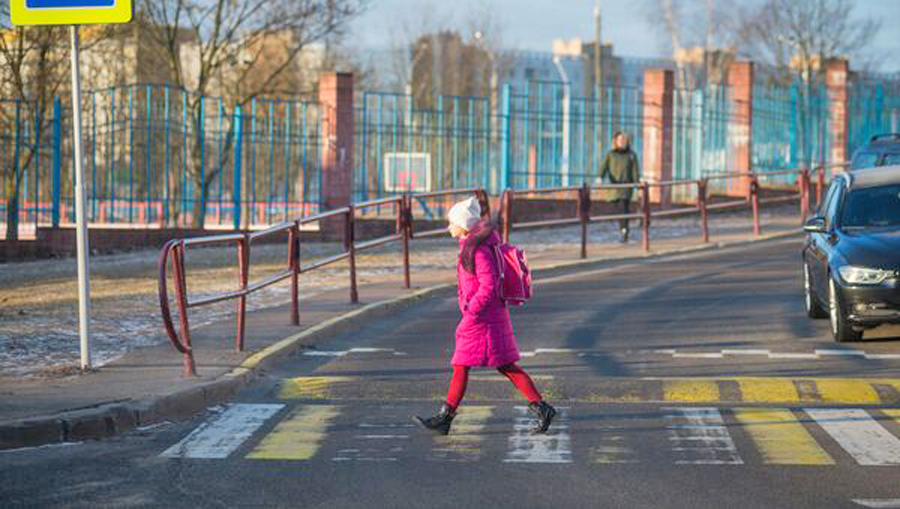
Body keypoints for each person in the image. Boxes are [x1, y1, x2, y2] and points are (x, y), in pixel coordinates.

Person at [413, 196, 556, 436]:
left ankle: (445, 418)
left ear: (464, 225)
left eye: (452, 222)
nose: (449, 227)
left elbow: (488, 285)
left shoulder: (477, 251)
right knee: (503, 365)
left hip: (482, 319)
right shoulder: (474, 247)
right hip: (488, 317)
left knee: (464, 364)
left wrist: (471, 310)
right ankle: (541, 408)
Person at [600, 132, 640, 243]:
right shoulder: (611, 154)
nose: (622, 142)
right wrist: (600, 177)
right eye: (620, 140)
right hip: (614, 187)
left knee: (624, 207)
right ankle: (623, 227)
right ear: (616, 141)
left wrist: (637, 183)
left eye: (624, 140)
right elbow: (604, 167)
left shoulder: (631, 155)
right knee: (618, 208)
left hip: (626, 187)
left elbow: (635, 171)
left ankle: (624, 230)